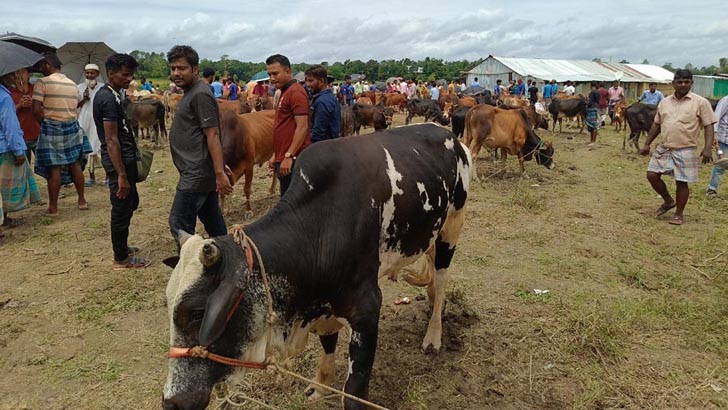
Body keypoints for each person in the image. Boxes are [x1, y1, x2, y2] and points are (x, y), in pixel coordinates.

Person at [167, 45, 232, 248]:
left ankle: (189, 270)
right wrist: (218, 166)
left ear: (195, 69)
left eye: (182, 68)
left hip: (195, 173)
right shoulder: (190, 92)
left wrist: (220, 172)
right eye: (173, 68)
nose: (176, 73)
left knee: (179, 224)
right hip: (198, 170)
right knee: (213, 222)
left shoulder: (200, 94)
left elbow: (212, 133)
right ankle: (227, 257)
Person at [93, 53, 150, 268]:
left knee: (130, 202)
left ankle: (122, 246)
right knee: (121, 207)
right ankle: (120, 257)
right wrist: (121, 175)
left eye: (131, 75)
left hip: (124, 160)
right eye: (125, 75)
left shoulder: (115, 94)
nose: (129, 79)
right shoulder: (107, 99)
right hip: (118, 163)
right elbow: (111, 139)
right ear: (111, 73)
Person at [640, 69, 716, 225]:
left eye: (687, 82)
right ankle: (668, 201)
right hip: (665, 146)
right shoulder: (665, 102)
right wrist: (647, 143)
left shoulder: (700, 102)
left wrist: (707, 148)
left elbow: (709, 126)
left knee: (681, 182)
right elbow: (656, 124)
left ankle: (679, 214)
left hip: (686, 148)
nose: (683, 85)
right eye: (679, 82)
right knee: (652, 175)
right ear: (673, 83)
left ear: (691, 83)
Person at [32, 53, 91, 215]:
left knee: (55, 168)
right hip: (72, 126)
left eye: (41, 66)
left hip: (51, 127)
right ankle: (82, 200)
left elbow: (36, 111)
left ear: (48, 65)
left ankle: (53, 208)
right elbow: (73, 108)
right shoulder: (72, 84)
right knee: (75, 164)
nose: (40, 69)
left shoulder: (42, 82)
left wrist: (44, 124)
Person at [0, 71, 42, 226]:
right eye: (12, 74)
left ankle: (4, 217)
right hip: (5, 148)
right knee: (4, 187)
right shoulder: (5, 97)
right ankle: (2, 218)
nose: (16, 77)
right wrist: (18, 151)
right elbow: (9, 127)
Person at [266, 54, 310, 196]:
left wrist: (289, 155)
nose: (272, 78)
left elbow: (302, 127)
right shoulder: (285, 92)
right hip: (284, 157)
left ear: (288, 71)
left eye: (275, 73)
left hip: (293, 159)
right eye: (269, 74)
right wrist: (276, 155)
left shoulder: (296, 93)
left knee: (293, 202)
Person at [76, 63, 104, 187]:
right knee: (87, 148)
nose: (89, 75)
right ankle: (91, 177)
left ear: (97, 74)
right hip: (84, 120)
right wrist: (84, 99)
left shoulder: (103, 88)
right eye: (87, 73)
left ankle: (108, 176)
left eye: (92, 73)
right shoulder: (79, 87)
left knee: (102, 147)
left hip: (99, 121)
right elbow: (74, 105)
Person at [9, 68, 40, 164]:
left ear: (28, 75)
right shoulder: (9, 93)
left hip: (38, 135)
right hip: (21, 137)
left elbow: (46, 109)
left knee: (46, 167)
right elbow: (7, 115)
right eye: (16, 72)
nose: (19, 75)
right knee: (25, 168)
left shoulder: (37, 89)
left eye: (23, 72)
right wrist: (19, 105)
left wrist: (33, 105)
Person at [305, 65, 340, 144]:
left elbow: (318, 132)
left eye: (311, 81)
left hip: (322, 148)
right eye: (306, 81)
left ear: (321, 81)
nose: (307, 84)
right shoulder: (330, 97)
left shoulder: (322, 102)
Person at [707, 95, 728, 198]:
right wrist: (714, 135)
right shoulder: (726, 100)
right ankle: (711, 190)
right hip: (724, 138)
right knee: (721, 164)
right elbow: (716, 118)